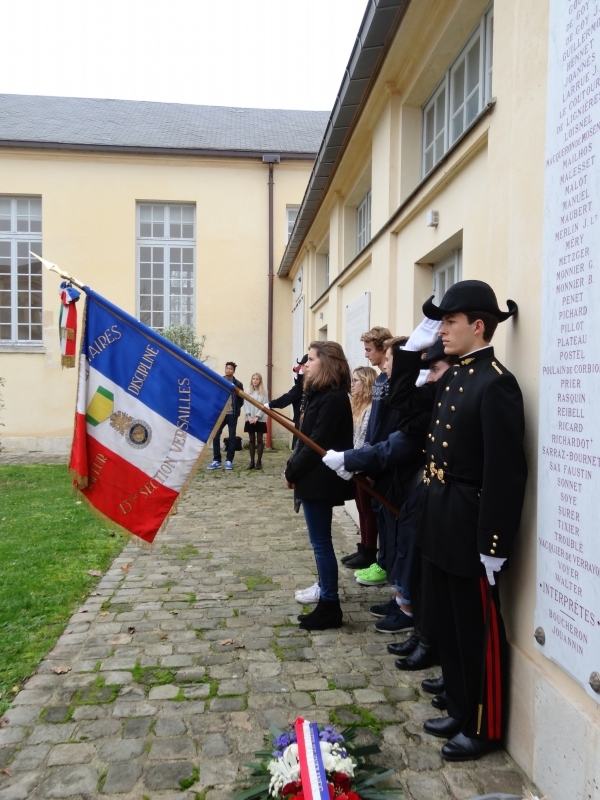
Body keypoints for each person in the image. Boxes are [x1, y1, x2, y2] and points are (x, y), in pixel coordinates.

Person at [387, 280, 527, 762]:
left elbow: (506, 471)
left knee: (475, 628)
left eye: (448, 321)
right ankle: (459, 702)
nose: (442, 330)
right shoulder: (454, 377)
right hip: (440, 512)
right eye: (440, 322)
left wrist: (494, 542)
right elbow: (404, 404)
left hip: (471, 521)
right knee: (446, 616)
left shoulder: (497, 383)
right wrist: (412, 346)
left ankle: (483, 724)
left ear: (478, 325)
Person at [284, 341, 355, 631]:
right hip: (313, 479)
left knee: (322, 544)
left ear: (326, 362)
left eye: (311, 359)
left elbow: (316, 444)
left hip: (319, 481)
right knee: (319, 543)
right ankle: (326, 597)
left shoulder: (333, 399)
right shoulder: (320, 395)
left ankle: (330, 604)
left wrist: (292, 470)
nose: (305, 365)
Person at [341, 366, 378, 569]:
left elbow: (365, 439)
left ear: (366, 383)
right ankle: (363, 546)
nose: (352, 384)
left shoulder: (371, 407)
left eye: (356, 381)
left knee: (367, 509)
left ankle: (369, 550)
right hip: (355, 463)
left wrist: (356, 460)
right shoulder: (356, 404)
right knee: (361, 508)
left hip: (363, 464)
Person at [207, 361, 244, 471]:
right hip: (221, 415)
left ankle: (229, 460)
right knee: (216, 435)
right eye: (227, 368)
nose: (228, 370)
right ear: (225, 369)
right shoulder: (220, 381)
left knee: (232, 437)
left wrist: (236, 410)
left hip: (232, 415)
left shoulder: (238, 384)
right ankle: (217, 460)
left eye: (230, 369)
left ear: (234, 371)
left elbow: (241, 400)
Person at [267, 354, 307, 431]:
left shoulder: (304, 387)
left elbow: (288, 397)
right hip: (300, 422)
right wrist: (270, 404)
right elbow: (289, 397)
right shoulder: (299, 387)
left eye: (303, 366)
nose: (301, 368)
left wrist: (271, 404)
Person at [244, 372, 268, 470]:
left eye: (257, 379)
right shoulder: (247, 391)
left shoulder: (264, 392)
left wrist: (257, 417)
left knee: (259, 439)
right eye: (253, 378)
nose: (255, 380)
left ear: (260, 381)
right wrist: (249, 416)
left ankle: (259, 461)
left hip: (260, 418)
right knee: (252, 439)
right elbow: (245, 404)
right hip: (250, 418)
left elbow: (264, 405)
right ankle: (252, 461)